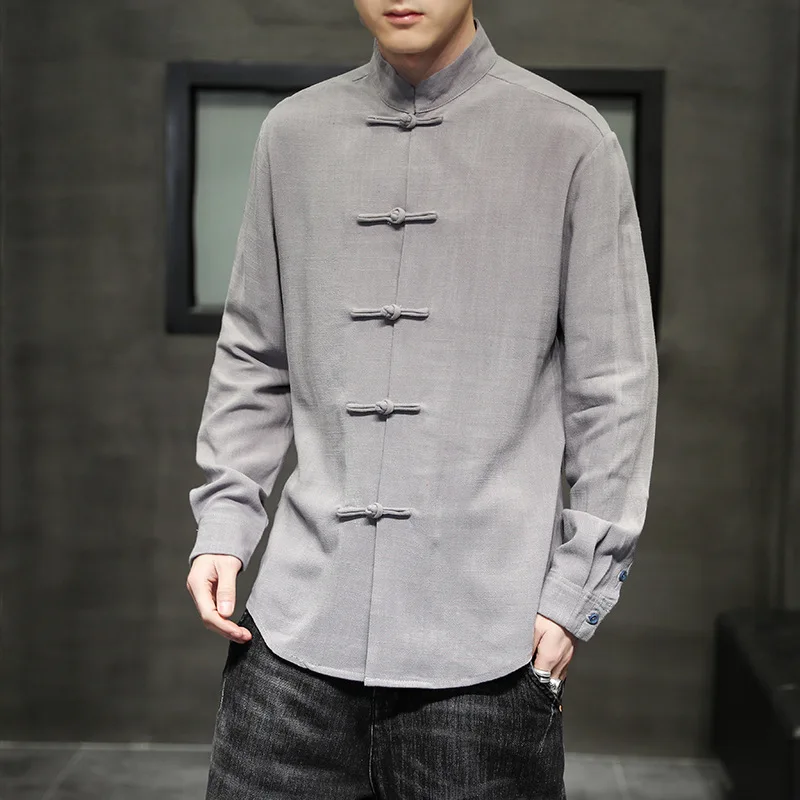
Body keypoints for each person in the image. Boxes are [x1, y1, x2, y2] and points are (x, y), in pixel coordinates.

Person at [185, 1, 659, 797]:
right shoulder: (292, 135)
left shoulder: (571, 140)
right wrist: (225, 526)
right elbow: (253, 350)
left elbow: (614, 388)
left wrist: (572, 598)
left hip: (486, 660)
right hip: (292, 644)